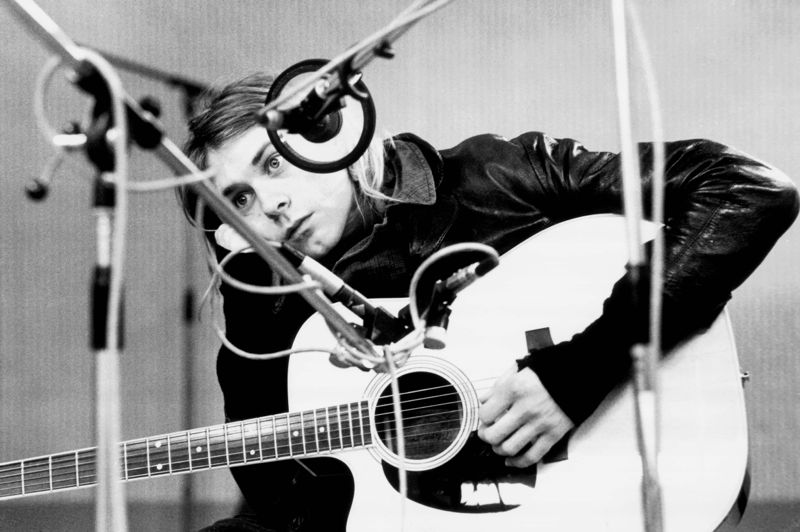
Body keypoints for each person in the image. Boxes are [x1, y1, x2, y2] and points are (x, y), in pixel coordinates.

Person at [179, 71, 799, 532]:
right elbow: (277, 491)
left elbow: (746, 191)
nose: (270, 205)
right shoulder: (263, 296)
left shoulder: (492, 177)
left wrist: (579, 372)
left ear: (325, 136)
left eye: (272, 165)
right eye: (237, 200)